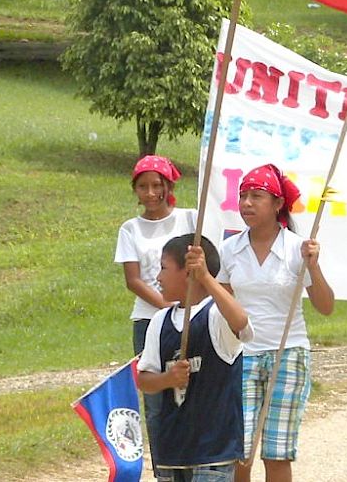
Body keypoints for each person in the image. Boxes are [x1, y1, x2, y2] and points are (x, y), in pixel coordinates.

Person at [214, 165, 335, 482]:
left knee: (276, 452)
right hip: (241, 356)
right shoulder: (229, 250)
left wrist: (314, 267)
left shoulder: (298, 248)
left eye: (257, 196)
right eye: (243, 196)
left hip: (288, 355)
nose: (247, 204)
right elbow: (222, 308)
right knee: (240, 450)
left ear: (278, 204)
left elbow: (326, 306)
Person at [137, 234, 251, 482]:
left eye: (164, 268)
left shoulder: (215, 315)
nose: (158, 278)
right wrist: (168, 378)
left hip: (213, 453)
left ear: (188, 273)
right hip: (172, 450)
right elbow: (144, 379)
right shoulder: (160, 321)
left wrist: (207, 279)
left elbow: (240, 322)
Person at [119, 156, 200, 356]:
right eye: (142, 186)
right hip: (148, 318)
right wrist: (166, 307)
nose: (150, 193)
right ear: (135, 190)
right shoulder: (130, 229)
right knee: (153, 382)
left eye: (157, 185)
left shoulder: (190, 218)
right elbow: (133, 280)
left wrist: (184, 307)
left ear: (168, 187)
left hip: (190, 315)